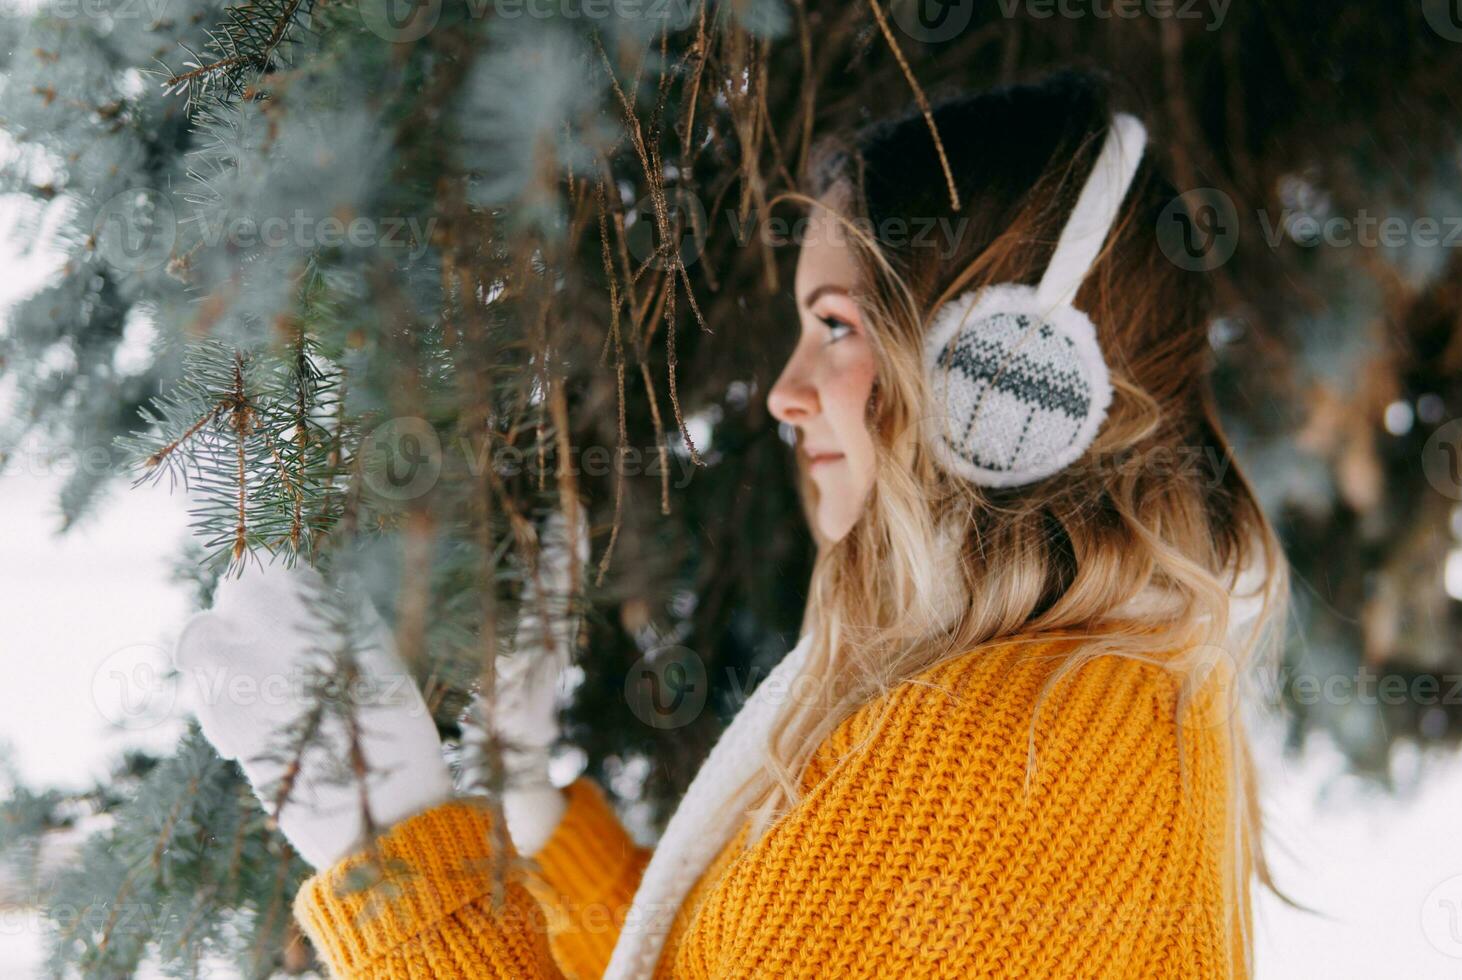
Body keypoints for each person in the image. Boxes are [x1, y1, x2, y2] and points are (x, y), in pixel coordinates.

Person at [174, 69, 1287, 978]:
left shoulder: (1000, 746)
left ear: (1006, 371)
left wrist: (389, 845)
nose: (786, 391)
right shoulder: (1082, 702)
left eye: (840, 325)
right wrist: (535, 808)